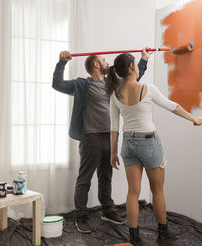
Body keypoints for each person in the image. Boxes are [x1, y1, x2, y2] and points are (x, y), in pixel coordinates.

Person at [106, 53, 202, 246]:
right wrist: (194, 119)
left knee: (133, 192)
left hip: (127, 144)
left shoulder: (115, 95)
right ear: (133, 67)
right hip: (149, 143)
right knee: (157, 190)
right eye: (136, 63)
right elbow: (173, 107)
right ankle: (163, 233)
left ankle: (134, 237)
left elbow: (114, 128)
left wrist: (113, 153)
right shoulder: (147, 88)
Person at [52, 48, 153, 233]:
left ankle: (108, 210)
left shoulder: (112, 83)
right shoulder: (82, 85)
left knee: (106, 177)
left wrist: (144, 59)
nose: (108, 63)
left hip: (110, 136)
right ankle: (81, 216)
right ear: (96, 64)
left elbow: (133, 77)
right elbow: (57, 84)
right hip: (91, 138)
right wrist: (62, 63)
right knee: (85, 179)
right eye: (104, 60)